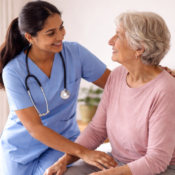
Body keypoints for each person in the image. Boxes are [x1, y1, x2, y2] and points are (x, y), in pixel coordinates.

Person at [45, 12, 175, 175]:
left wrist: (110, 174)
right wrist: (64, 160)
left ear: (139, 48)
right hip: (117, 161)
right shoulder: (117, 75)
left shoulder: (165, 89)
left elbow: (157, 160)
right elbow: (97, 130)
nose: (110, 41)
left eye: (118, 35)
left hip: (154, 169)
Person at [0, 1, 119, 175]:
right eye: (51, 33)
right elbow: (35, 128)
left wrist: (153, 73)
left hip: (63, 144)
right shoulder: (13, 71)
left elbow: (117, 84)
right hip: (21, 149)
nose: (61, 36)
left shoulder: (75, 53)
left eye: (61, 28)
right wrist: (84, 152)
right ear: (30, 37)